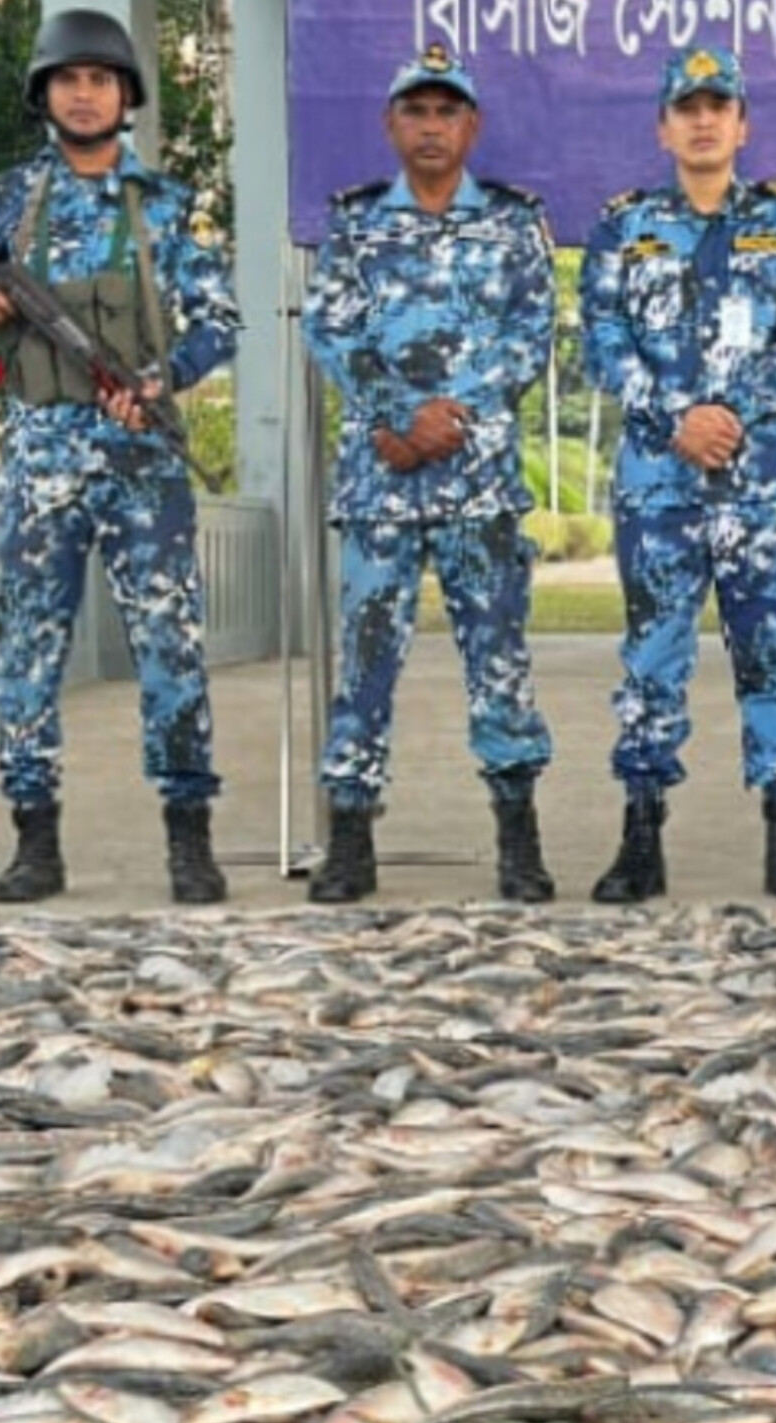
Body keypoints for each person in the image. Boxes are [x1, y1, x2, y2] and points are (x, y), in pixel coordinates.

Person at [0, 8, 241, 905]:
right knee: (29, 648)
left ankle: (189, 838)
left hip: (142, 462)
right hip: (40, 457)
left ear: (125, 97)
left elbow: (220, 322)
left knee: (170, 650)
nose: (83, 94)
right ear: (46, 94)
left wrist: (161, 380)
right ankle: (35, 840)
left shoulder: (166, 206)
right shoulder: (8, 200)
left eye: (99, 80)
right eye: (68, 80)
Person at [579, 44, 776, 906]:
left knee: (771, 656)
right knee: (653, 658)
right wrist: (675, 421)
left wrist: (729, 410)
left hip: (759, 483)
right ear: (663, 127)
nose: (702, 120)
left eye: (717, 106)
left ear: (742, 124)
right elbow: (603, 342)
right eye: (686, 107)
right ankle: (641, 837)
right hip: (659, 485)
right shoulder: (624, 229)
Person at [301, 45, 561, 904]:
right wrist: (392, 417)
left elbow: (530, 336)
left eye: (447, 112)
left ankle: (518, 838)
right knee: (366, 664)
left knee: (499, 663)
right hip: (382, 481)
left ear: (471, 125)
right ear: (391, 124)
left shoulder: (517, 225)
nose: (431, 126)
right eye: (416, 111)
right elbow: (331, 328)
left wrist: (455, 417)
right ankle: (350, 838)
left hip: (478, 487)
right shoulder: (355, 223)